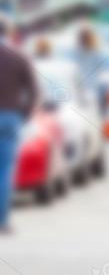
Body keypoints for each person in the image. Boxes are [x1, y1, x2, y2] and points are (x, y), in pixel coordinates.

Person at [0, 19, 39, 235]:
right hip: (9, 117)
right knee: (4, 171)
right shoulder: (18, 57)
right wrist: (22, 116)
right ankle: (2, 222)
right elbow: (34, 92)